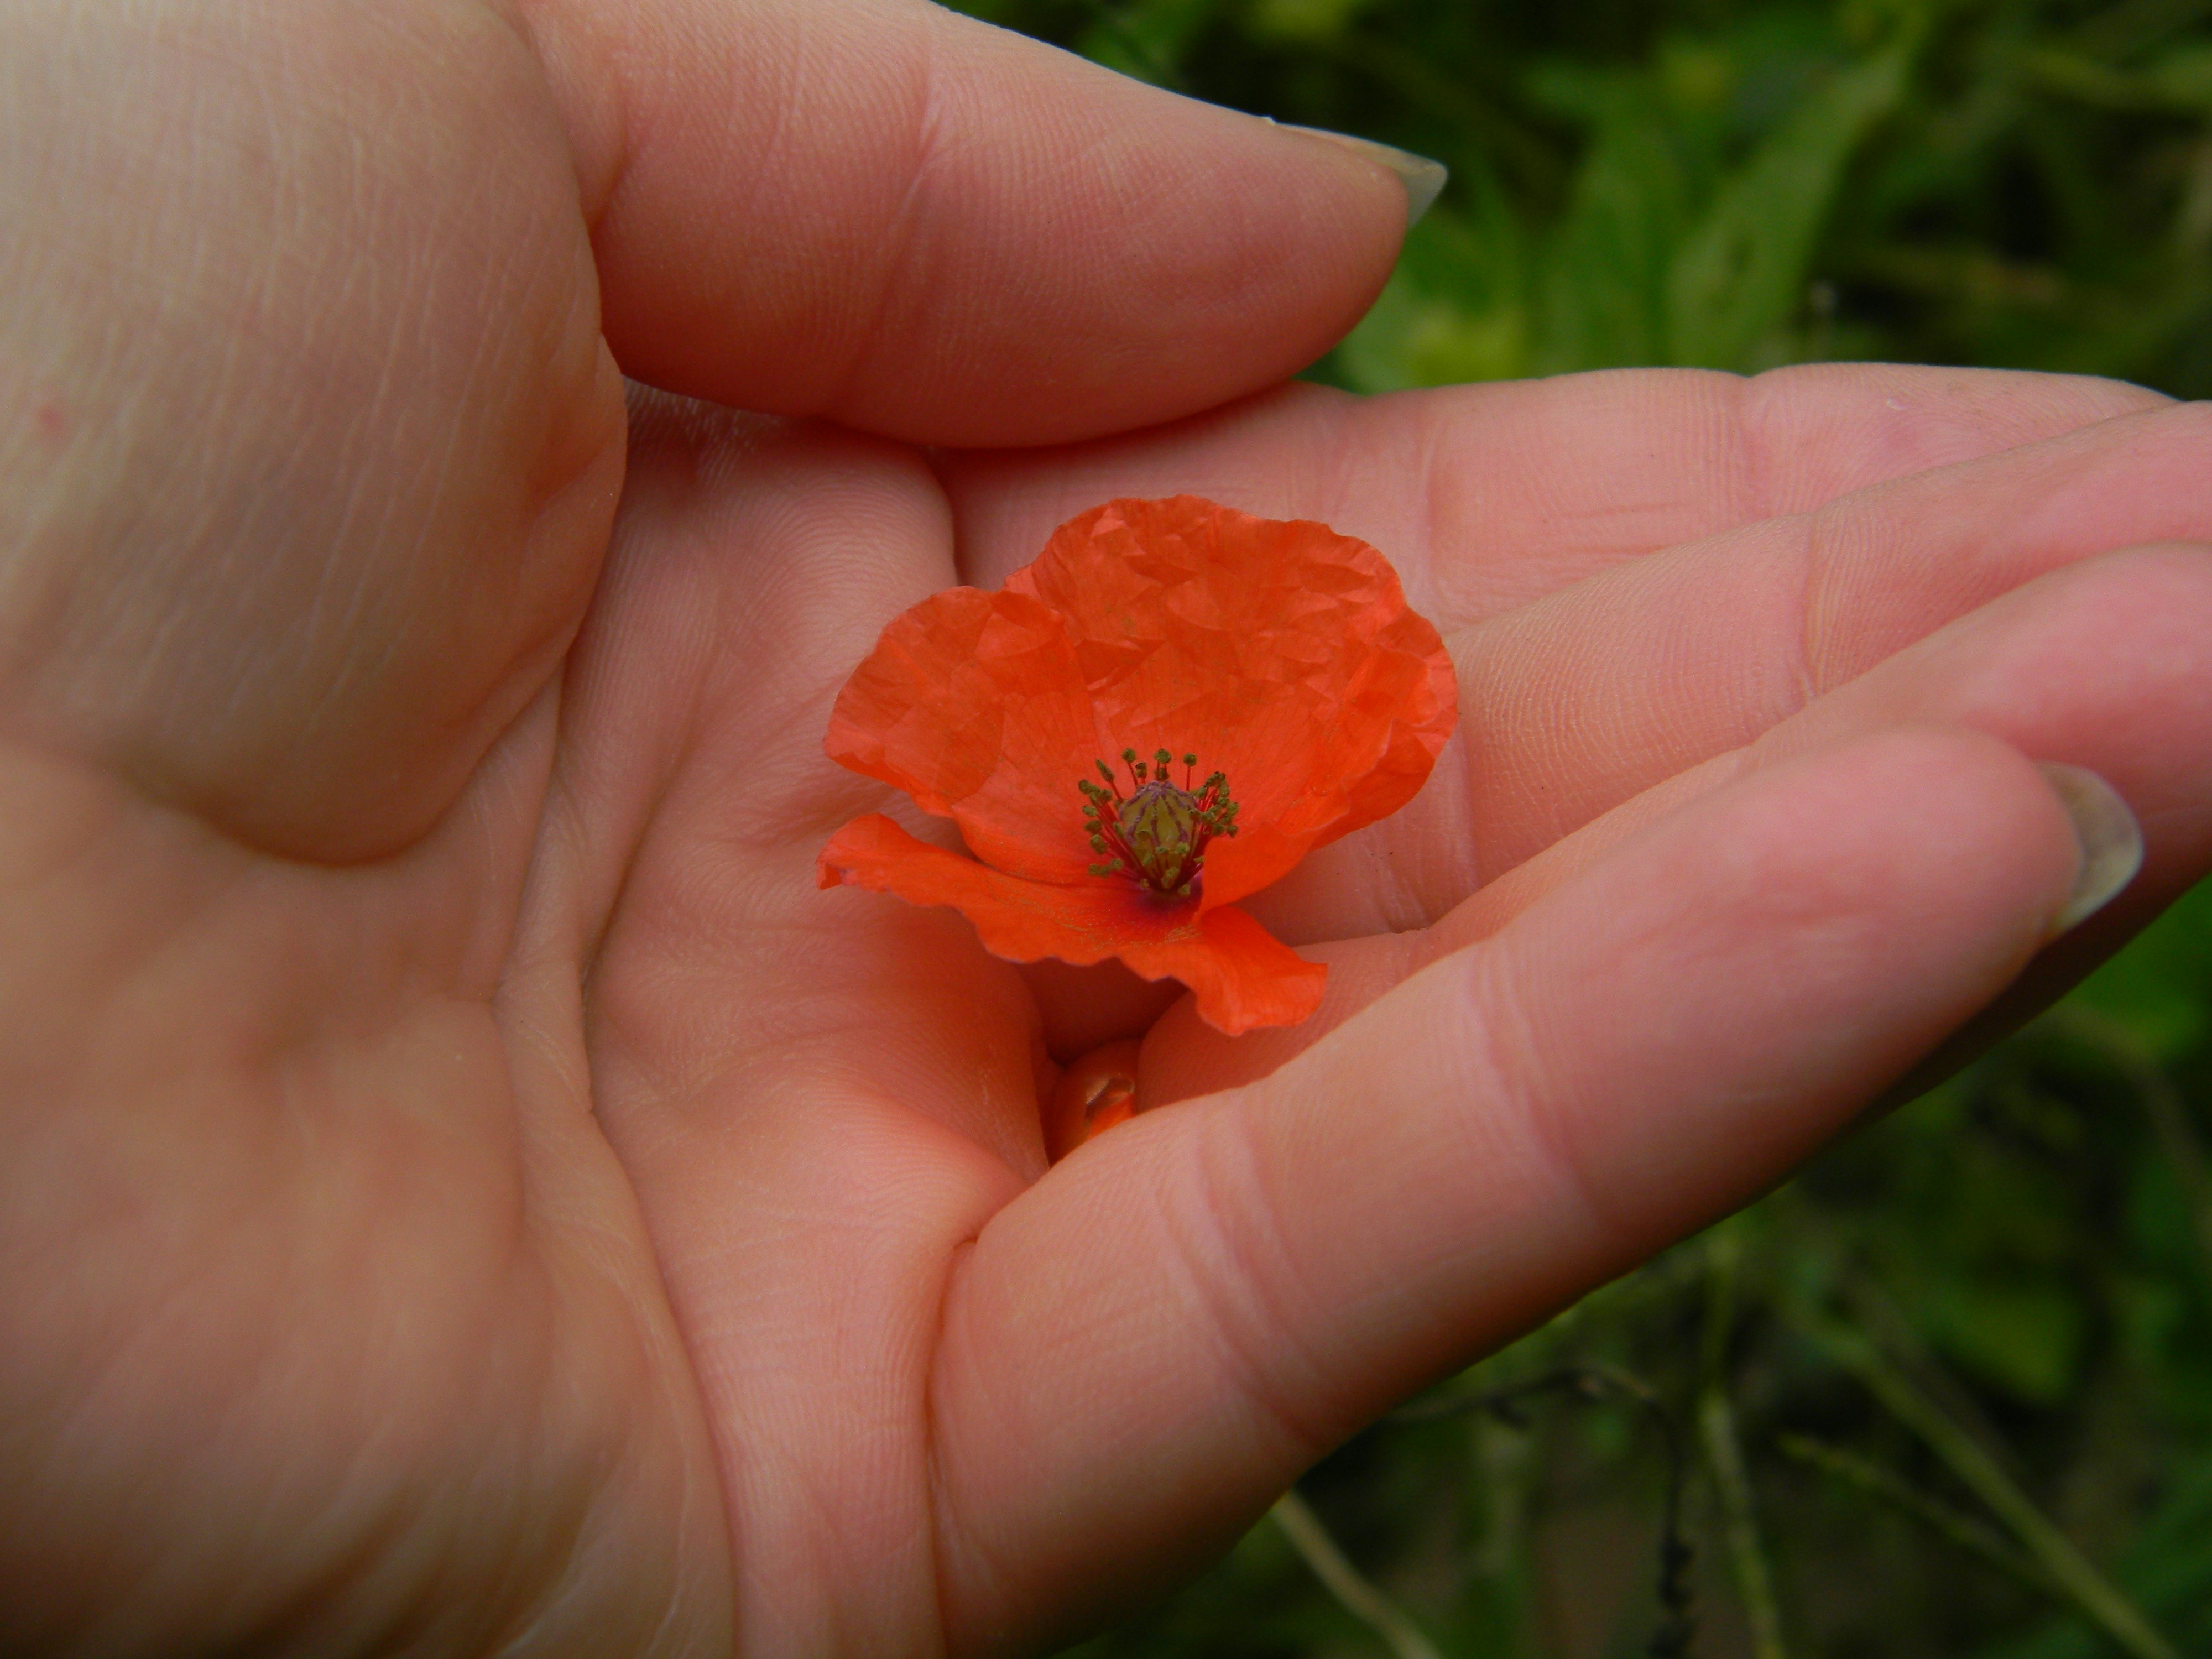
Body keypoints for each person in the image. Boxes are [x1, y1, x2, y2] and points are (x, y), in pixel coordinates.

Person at [5, 0, 2209, 1653]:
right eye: (1151, 814)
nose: (1162, 828)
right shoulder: (988, 797)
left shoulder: (1227, 844)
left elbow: (1283, 784)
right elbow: (907, 826)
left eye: (1170, 810)